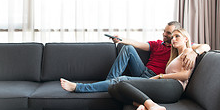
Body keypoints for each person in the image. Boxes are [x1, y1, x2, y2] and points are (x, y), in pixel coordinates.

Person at [60, 21, 210, 93]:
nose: (165, 35)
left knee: (122, 80)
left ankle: (81, 88)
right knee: (128, 48)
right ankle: (108, 83)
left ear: (179, 36)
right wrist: (120, 39)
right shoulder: (157, 44)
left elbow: (206, 47)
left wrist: (194, 52)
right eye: (164, 32)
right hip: (143, 71)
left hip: (152, 78)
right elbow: (137, 44)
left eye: (169, 34)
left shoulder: (181, 47)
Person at [108, 28, 197, 110]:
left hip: (175, 87)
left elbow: (185, 75)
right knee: (112, 89)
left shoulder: (188, 52)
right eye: (172, 37)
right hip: (167, 86)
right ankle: (143, 104)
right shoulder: (175, 56)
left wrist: (160, 76)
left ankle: (152, 105)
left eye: (177, 36)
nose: (173, 39)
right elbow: (138, 43)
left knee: (122, 83)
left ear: (186, 39)